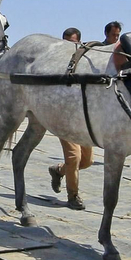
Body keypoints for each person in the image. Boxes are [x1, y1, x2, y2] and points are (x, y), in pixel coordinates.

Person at [47, 26, 97, 210]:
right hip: (64, 118)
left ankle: (58, 170)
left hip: (83, 119)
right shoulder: (55, 64)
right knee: (74, 157)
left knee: (87, 161)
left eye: (72, 43)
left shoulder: (86, 63)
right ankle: (73, 196)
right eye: (65, 42)